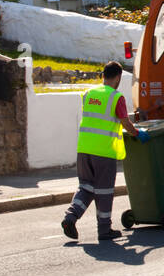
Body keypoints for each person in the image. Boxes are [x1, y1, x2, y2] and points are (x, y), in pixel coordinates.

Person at [62, 62, 145, 242]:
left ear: (103, 75)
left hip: (84, 149)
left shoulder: (89, 94)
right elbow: (125, 122)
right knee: (104, 191)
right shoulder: (116, 97)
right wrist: (138, 134)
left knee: (85, 187)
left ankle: (70, 217)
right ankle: (104, 230)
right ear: (118, 78)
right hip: (104, 152)